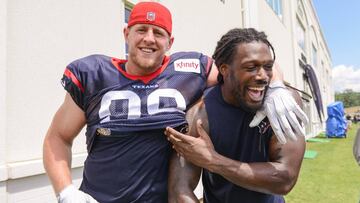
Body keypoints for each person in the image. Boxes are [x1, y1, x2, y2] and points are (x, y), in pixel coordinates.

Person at [42, 2, 307, 203]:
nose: (149, 38)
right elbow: (58, 137)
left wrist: (276, 87)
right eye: (140, 30)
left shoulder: (190, 69)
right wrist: (66, 191)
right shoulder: (94, 74)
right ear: (126, 33)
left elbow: (246, 66)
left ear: (170, 42)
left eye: (158, 32)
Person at [166, 28, 306, 203]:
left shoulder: (284, 104)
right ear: (224, 69)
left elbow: (285, 179)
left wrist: (213, 161)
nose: (263, 76)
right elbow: (179, 188)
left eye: (268, 67)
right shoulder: (202, 112)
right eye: (251, 67)